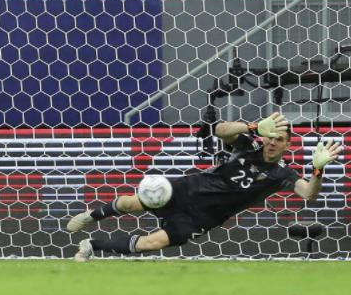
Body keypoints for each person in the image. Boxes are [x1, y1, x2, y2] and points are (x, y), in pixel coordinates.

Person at [67, 112, 342, 261]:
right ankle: (91, 217)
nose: (272, 142)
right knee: (132, 203)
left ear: (286, 145)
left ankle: (92, 245)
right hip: (188, 189)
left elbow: (308, 193)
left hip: (204, 217)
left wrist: (318, 170)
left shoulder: (282, 174)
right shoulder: (247, 146)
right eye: (271, 136)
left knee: (152, 243)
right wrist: (253, 126)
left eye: (279, 140)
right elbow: (221, 130)